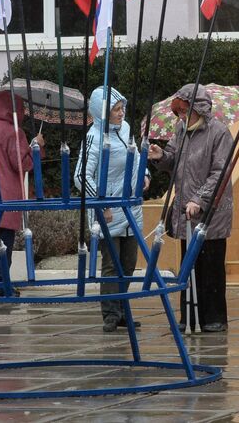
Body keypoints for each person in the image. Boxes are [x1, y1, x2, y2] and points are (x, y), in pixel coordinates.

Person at [147, 84, 235, 333]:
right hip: (186, 212)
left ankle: (214, 317)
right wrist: (161, 156)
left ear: (200, 108)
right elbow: (173, 158)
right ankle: (190, 315)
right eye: (180, 113)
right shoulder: (181, 130)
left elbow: (221, 171)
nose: (182, 117)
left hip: (211, 214)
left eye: (186, 112)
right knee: (189, 268)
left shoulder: (219, 133)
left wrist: (200, 199)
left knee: (211, 267)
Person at [81, 86, 145, 333]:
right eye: (116, 110)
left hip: (130, 210)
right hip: (107, 211)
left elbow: (136, 156)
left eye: (122, 108)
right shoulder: (94, 137)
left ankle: (121, 310)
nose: (121, 113)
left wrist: (144, 174)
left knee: (128, 263)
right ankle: (110, 313)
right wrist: (102, 203)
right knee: (111, 264)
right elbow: (81, 175)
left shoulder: (126, 129)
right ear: (102, 113)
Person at [0, 88, 38, 291]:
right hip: (7, 196)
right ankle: (1, 283)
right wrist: (36, 148)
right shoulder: (14, 132)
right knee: (5, 242)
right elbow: (22, 164)